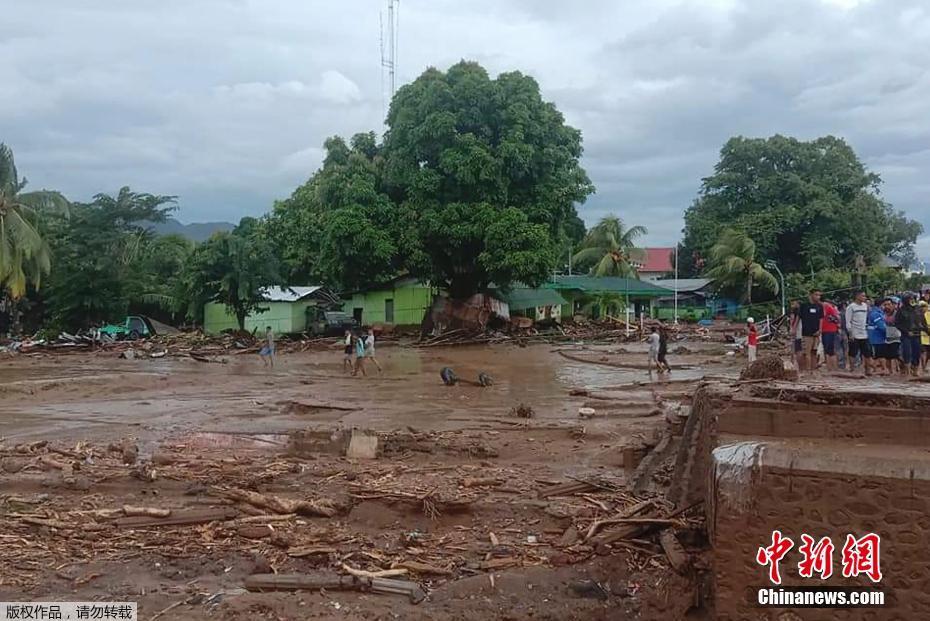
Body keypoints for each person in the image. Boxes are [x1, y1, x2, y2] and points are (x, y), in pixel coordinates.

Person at [798, 290, 824, 373]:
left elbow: (821, 319)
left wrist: (820, 329)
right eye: (816, 295)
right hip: (806, 332)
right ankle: (806, 369)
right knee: (806, 352)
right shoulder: (804, 306)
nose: (818, 297)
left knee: (814, 351)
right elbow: (799, 317)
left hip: (816, 332)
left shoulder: (820, 306)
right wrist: (794, 328)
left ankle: (813, 369)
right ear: (811, 295)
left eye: (819, 295)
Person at [896, 294, 921, 376]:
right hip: (906, 335)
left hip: (917, 334)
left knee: (917, 352)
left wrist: (925, 329)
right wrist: (906, 331)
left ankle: (915, 370)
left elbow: (921, 321)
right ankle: (907, 371)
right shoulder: (901, 310)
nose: (912, 300)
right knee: (907, 352)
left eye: (913, 299)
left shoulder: (917, 309)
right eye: (910, 299)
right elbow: (897, 324)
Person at [846, 291, 870, 374]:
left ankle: (867, 369)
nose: (864, 297)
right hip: (854, 333)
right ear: (857, 296)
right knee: (853, 352)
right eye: (863, 296)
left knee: (867, 352)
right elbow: (848, 321)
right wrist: (850, 333)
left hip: (864, 333)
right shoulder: (851, 307)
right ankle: (852, 368)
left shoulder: (865, 306)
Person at [820, 297, 840, 371]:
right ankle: (829, 367)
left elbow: (837, 317)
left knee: (830, 349)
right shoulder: (824, 306)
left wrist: (837, 325)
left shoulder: (828, 307)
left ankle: (833, 367)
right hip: (824, 330)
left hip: (830, 330)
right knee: (827, 348)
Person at [883, 299, 901, 375]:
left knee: (896, 356)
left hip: (897, 339)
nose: (887, 306)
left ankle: (898, 371)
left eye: (889, 304)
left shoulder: (897, 314)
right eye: (885, 305)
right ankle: (890, 372)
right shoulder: (883, 314)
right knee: (887, 357)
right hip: (887, 339)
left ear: (893, 305)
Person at [920, 300, 930, 374]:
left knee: (928, 353)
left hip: (928, 337)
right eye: (921, 307)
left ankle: (925, 366)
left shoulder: (928, 314)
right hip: (921, 337)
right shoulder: (917, 315)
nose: (923, 308)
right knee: (923, 352)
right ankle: (923, 367)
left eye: (924, 306)